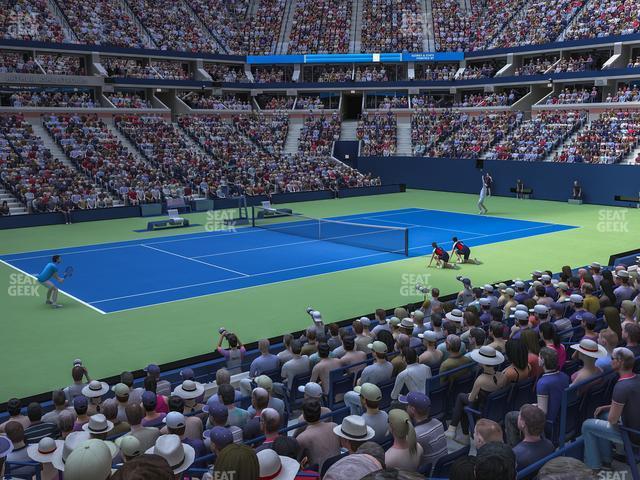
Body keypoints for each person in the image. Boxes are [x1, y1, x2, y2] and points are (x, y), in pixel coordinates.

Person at [582, 347, 640, 470]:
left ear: (620, 362)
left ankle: (594, 466)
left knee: (587, 425)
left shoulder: (621, 386)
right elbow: (631, 401)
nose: (610, 361)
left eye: (612, 358)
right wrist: (608, 407)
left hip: (632, 434)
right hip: (636, 427)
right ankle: (606, 461)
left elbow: (612, 420)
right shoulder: (637, 377)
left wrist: (611, 411)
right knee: (601, 415)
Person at [401, 392, 447, 469]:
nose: (406, 408)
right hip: (441, 470)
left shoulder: (416, 434)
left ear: (412, 409)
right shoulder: (438, 423)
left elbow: (408, 463)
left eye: (407, 405)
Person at [513, 404, 555, 469]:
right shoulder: (550, 445)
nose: (517, 416)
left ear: (523, 423)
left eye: (519, 415)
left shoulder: (516, 454)